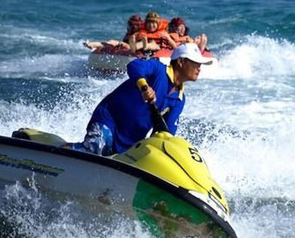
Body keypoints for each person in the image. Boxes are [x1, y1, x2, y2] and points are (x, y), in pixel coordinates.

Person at [79, 43, 213, 155]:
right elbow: (134, 66)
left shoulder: (179, 100)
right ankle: (61, 152)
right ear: (181, 62)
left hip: (130, 141)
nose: (199, 68)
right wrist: (144, 87)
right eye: (196, 63)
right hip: (108, 120)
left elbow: (165, 133)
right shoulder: (158, 68)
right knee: (94, 149)